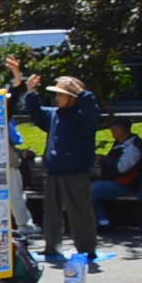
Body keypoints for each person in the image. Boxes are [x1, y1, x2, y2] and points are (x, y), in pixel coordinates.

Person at [24, 73, 99, 261]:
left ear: (72, 97)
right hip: (54, 171)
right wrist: (31, 92)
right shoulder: (53, 114)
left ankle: (86, 248)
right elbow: (36, 113)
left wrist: (80, 91)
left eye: (61, 94)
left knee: (79, 212)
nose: (57, 98)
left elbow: (91, 109)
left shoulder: (83, 116)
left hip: (75, 172)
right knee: (51, 212)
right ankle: (52, 246)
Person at [1, 57, 38, 234]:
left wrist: (16, 75)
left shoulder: (1, 115)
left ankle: (24, 225)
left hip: (7, 160)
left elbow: (14, 96)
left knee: (15, 195)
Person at [92, 117, 142, 229]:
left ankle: (101, 222)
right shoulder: (118, 144)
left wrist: (103, 159)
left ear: (121, 129)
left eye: (113, 127)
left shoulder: (133, 147)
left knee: (93, 189)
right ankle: (101, 220)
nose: (111, 130)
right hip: (112, 180)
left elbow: (121, 167)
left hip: (125, 184)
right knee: (83, 188)